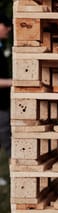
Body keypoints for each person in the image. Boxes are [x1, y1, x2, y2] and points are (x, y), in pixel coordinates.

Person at [0, 13, 12, 186]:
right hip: (0, 106)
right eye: (6, 25)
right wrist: (13, 82)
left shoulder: (1, 47)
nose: (9, 29)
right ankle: (17, 176)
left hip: (2, 104)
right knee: (9, 142)